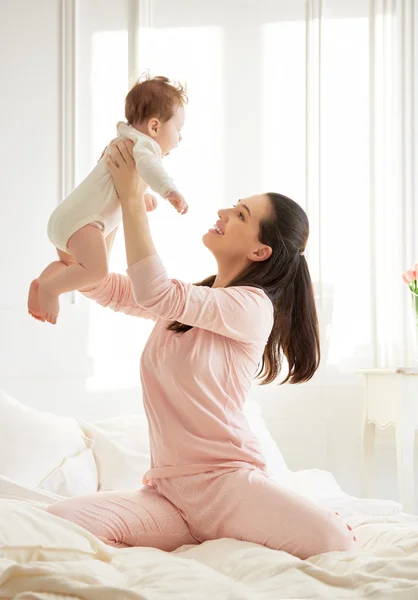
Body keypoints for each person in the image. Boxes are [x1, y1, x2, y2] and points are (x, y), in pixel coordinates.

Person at [46, 140, 355, 559]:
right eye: (234, 205)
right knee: (57, 521)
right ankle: (204, 536)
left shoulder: (252, 308)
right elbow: (107, 286)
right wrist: (108, 208)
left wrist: (133, 200)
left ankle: (264, 518)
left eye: (241, 215)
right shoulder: (192, 300)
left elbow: (154, 291)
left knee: (334, 542)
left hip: (227, 486)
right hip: (170, 494)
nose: (224, 213)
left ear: (259, 251)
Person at [28, 75, 187, 325]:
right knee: (97, 272)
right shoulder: (145, 146)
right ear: (155, 127)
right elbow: (151, 169)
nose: (180, 138)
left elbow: (115, 184)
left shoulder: (124, 142)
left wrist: (142, 196)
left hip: (69, 220)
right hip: (83, 225)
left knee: (70, 264)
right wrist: (170, 191)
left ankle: (43, 283)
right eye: (178, 130)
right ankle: (51, 290)